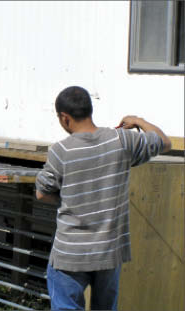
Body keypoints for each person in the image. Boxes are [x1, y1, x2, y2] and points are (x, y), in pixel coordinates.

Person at [35, 86, 171, 311]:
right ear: (89, 110)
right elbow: (164, 142)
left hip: (70, 253)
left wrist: (67, 201)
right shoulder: (122, 141)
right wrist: (137, 120)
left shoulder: (60, 151)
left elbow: (42, 193)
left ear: (64, 118)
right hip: (109, 251)